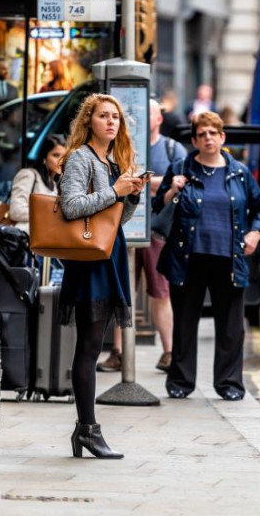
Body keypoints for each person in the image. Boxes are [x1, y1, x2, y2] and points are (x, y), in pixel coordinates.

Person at [153, 111, 260, 401]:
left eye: (213, 133)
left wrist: (255, 233)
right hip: (188, 256)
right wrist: (172, 190)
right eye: (202, 134)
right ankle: (180, 382)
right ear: (194, 140)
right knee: (185, 323)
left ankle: (229, 384)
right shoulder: (181, 167)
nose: (208, 138)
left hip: (229, 258)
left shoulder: (239, 173)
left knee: (230, 327)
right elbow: (158, 206)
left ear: (222, 138)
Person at [58, 93, 143, 459]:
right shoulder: (79, 158)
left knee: (97, 345)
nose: (111, 122)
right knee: (89, 348)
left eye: (116, 117)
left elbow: (114, 220)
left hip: (109, 255)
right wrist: (115, 191)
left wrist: (131, 197)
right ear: (89, 121)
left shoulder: (111, 161)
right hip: (90, 260)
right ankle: (87, 429)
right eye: (103, 116)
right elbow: (72, 207)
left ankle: (85, 431)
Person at [98, 100, 187, 373]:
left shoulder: (172, 148)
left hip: (158, 230)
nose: (135, 118)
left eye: (145, 114)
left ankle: (170, 352)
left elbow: (182, 180)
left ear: (159, 118)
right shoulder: (122, 147)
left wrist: (145, 182)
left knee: (160, 292)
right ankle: (118, 352)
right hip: (123, 227)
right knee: (123, 291)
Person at [8, 134, 67, 234]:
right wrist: (50, 215)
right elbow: (15, 211)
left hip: (44, 241)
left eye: (64, 157)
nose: (61, 161)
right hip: (26, 240)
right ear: (44, 157)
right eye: (56, 155)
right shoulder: (29, 175)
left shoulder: (53, 184)